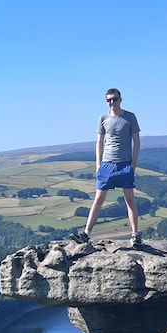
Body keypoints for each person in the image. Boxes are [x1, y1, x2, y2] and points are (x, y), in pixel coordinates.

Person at [71, 88, 141, 246]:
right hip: (107, 164)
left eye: (114, 99)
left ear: (120, 99)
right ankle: (86, 234)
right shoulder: (103, 118)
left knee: (129, 200)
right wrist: (98, 164)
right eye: (109, 100)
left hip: (125, 164)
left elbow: (137, 142)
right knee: (98, 199)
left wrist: (133, 165)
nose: (112, 103)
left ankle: (135, 235)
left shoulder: (130, 117)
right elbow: (99, 143)